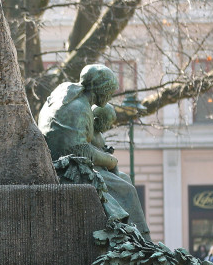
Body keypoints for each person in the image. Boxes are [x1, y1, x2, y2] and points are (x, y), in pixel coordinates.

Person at [37, 64, 151, 235]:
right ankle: (141, 240)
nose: (111, 95)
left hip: (65, 163)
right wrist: (111, 161)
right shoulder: (79, 108)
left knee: (124, 179)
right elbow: (81, 151)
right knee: (127, 190)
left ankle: (136, 238)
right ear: (101, 88)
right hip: (68, 170)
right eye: (110, 90)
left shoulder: (68, 95)